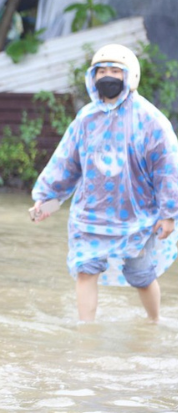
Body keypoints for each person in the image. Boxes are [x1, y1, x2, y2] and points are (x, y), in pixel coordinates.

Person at [31, 44, 178, 323]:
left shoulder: (150, 120)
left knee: (141, 275)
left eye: (115, 71)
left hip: (137, 216)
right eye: (101, 71)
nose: (107, 77)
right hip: (91, 215)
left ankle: (153, 323)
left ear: (129, 76)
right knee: (85, 269)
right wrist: (47, 199)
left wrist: (169, 213)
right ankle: (86, 333)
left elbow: (168, 169)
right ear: (92, 77)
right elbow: (66, 162)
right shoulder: (86, 119)